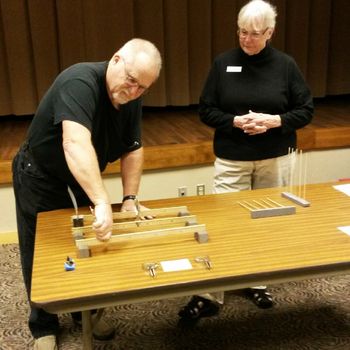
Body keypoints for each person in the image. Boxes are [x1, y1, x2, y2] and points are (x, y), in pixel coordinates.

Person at [12, 38, 162, 350]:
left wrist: (130, 198)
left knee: (91, 242)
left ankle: (85, 315)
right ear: (116, 59)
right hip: (40, 175)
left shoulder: (132, 96)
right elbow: (75, 143)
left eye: (142, 88)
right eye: (132, 81)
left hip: (80, 176)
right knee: (41, 251)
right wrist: (102, 200)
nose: (134, 92)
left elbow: (133, 148)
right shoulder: (79, 81)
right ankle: (43, 324)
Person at [178, 0, 313, 324]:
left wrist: (275, 121)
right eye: (241, 32)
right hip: (233, 157)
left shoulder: (285, 65)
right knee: (224, 224)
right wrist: (236, 122)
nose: (246, 39)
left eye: (254, 34)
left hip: (275, 157)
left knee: (265, 224)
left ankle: (258, 282)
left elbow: (305, 110)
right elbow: (206, 109)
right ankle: (211, 293)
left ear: (270, 32)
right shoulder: (224, 64)